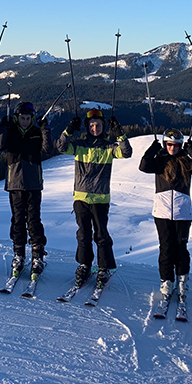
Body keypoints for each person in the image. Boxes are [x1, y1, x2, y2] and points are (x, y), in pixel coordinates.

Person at [56, 108, 132, 287]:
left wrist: (120, 133)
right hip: (81, 198)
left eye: (98, 125)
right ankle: (85, 264)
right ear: (87, 127)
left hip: (100, 200)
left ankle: (104, 267)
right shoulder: (79, 145)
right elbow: (60, 147)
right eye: (91, 125)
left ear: (103, 126)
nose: (95, 129)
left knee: (101, 235)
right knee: (83, 235)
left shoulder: (109, 147)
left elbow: (127, 152)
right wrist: (68, 130)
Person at [138, 129, 192, 302]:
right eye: (169, 144)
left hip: (182, 212)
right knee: (166, 247)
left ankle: (182, 280)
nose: (172, 148)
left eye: (176, 145)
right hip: (161, 211)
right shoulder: (160, 160)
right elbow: (144, 166)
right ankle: (166, 280)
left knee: (181, 249)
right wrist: (153, 149)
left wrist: (191, 150)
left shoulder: (185, 161)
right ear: (164, 144)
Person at [0, 101, 54, 276]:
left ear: (32, 118)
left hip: (34, 183)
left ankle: (37, 255)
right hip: (15, 184)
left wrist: (45, 129)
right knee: (18, 220)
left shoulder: (36, 133)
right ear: (17, 118)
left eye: (28, 118)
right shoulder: (11, 132)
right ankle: (18, 254)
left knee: (34, 220)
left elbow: (48, 149)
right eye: (22, 118)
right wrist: (3, 128)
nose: (25, 121)